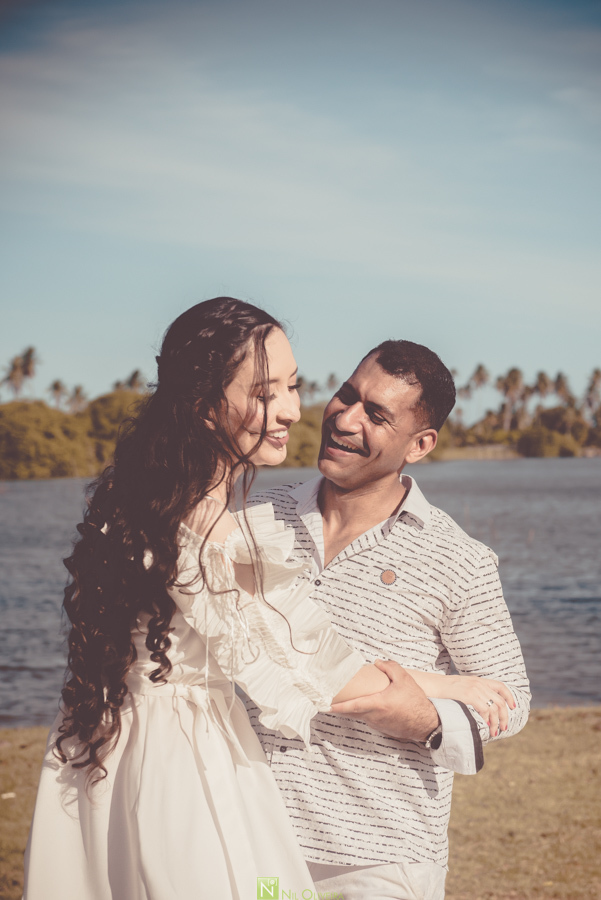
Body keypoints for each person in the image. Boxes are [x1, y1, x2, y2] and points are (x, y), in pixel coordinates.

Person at [24, 297, 397, 900]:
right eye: (265, 392)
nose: (291, 411)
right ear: (203, 406)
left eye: (293, 387)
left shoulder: (144, 491)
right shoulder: (206, 524)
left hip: (107, 741)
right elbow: (312, 664)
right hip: (183, 758)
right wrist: (451, 687)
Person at [248, 339, 531, 900]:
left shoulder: (459, 560)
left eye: (377, 414)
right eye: (346, 395)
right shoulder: (255, 519)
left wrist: (428, 721)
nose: (345, 419)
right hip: (258, 840)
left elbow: (511, 699)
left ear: (420, 444)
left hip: (382, 863)